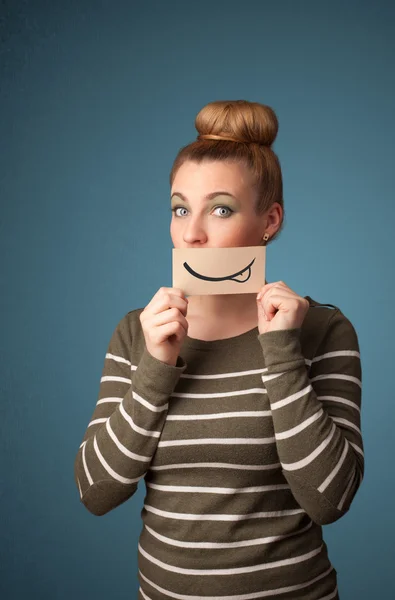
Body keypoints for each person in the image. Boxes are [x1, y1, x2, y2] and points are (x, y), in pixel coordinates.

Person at [74, 100, 363, 600]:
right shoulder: (136, 332)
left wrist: (282, 354)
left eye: (221, 209)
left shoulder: (323, 330)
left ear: (269, 220)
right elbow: (96, 492)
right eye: (180, 208)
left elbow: (329, 500)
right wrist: (155, 368)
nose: (192, 232)